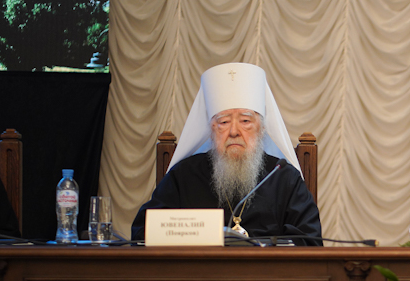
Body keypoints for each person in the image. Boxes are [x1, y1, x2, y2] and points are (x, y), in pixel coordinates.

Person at [132, 62, 322, 245]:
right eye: (223, 122)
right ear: (211, 130)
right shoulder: (183, 176)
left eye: (245, 121)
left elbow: (308, 242)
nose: (234, 131)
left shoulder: (283, 177)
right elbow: (143, 233)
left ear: (261, 129)